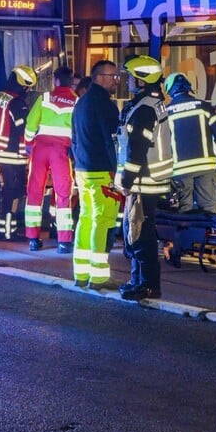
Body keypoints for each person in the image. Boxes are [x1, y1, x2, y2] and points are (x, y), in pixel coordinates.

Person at [115, 56, 172, 301]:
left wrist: (126, 181)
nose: (128, 81)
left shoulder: (144, 109)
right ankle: (138, 281)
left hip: (143, 182)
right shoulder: (150, 104)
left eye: (131, 77)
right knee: (136, 232)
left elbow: (136, 148)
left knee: (141, 234)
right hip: (148, 180)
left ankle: (148, 285)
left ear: (141, 79)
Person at [70, 60, 122, 290]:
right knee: (103, 220)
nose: (116, 81)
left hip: (82, 169)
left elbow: (73, 139)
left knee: (85, 218)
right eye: (113, 76)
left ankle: (81, 273)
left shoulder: (80, 103)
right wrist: (118, 170)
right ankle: (99, 277)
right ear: (100, 77)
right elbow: (112, 142)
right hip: (102, 171)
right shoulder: (106, 106)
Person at [24, 66, 77, 252]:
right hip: (61, 151)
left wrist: (28, 143)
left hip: (40, 149)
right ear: (71, 82)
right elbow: (77, 130)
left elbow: (31, 124)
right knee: (63, 193)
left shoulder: (44, 98)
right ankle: (63, 241)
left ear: (55, 80)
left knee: (34, 191)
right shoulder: (76, 102)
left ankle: (33, 239)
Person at [164, 72, 216, 213]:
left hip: (180, 170)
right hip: (206, 168)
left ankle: (187, 235)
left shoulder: (167, 112)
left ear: (169, 91)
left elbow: (162, 142)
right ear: (188, 87)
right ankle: (210, 234)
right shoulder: (204, 107)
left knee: (184, 210)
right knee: (209, 208)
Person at [0, 65, 37, 240]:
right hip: (11, 155)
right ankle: (8, 231)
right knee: (12, 193)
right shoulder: (17, 103)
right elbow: (24, 127)